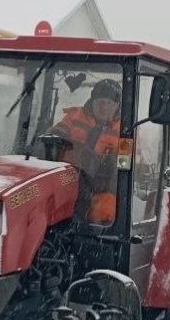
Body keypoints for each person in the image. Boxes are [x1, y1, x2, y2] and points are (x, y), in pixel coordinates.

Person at [50, 79, 122, 224]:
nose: (105, 107)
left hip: (104, 185)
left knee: (106, 211)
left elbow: (132, 162)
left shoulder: (126, 128)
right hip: (69, 178)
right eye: (101, 102)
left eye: (110, 103)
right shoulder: (75, 117)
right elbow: (53, 137)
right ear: (92, 101)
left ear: (117, 106)